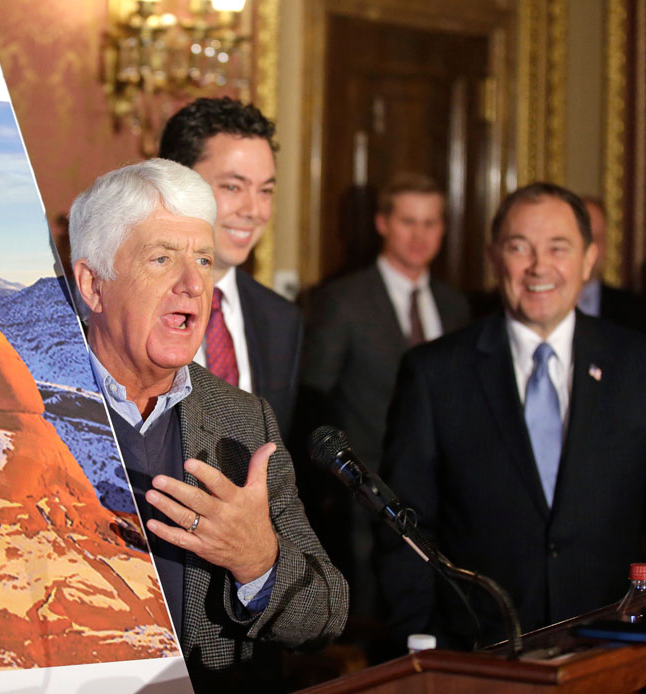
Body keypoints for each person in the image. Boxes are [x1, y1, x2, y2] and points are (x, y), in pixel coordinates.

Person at [70, 158, 347, 690]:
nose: (193, 284)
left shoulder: (243, 422)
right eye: (161, 259)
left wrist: (258, 561)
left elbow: (326, 614)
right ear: (93, 284)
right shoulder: (25, 407)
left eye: (203, 259)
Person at [376, 182, 646, 652]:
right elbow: (405, 530)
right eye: (520, 248)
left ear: (588, 259)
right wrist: (420, 647)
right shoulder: (436, 374)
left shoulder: (637, 365)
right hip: (479, 654)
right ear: (494, 257)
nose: (539, 267)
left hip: (614, 651)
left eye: (557, 248)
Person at [301, 173, 469, 623]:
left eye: (431, 223)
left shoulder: (456, 306)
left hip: (446, 506)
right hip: (365, 507)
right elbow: (312, 398)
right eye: (409, 222)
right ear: (382, 223)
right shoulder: (342, 301)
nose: (420, 235)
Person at [158, 97, 303, 443]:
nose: (255, 210)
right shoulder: (128, 307)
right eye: (233, 187)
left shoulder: (281, 321)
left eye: (265, 190)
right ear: (176, 184)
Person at [576, 195, 646, 331]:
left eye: (597, 238)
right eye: (584, 238)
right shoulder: (537, 304)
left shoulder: (636, 310)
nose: (591, 249)